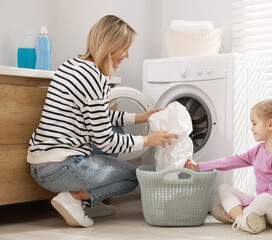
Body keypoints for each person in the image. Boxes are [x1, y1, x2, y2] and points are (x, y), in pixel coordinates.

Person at [27, 15, 177, 228]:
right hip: (61, 167)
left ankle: (90, 202)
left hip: (41, 165)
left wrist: (139, 117)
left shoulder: (72, 65)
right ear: (110, 45)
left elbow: (98, 117)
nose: (127, 55)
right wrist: (147, 140)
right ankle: (76, 198)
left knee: (118, 130)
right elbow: (105, 140)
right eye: (124, 48)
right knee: (134, 177)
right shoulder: (94, 78)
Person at [185, 98, 272, 234]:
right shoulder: (258, 150)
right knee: (221, 192)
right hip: (262, 208)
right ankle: (246, 220)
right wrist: (199, 166)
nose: (251, 129)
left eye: (254, 124)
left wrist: (242, 206)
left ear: (270, 124)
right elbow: (232, 161)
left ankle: (239, 217)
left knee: (264, 199)